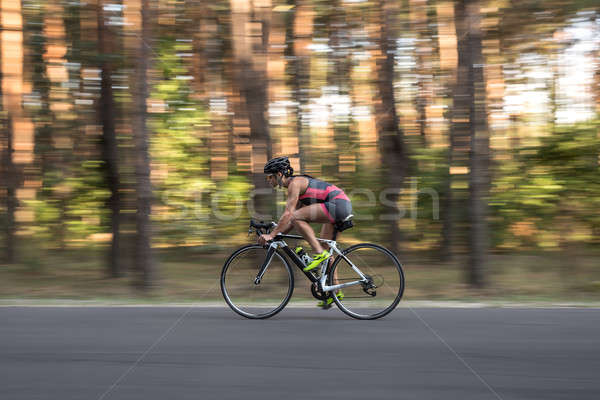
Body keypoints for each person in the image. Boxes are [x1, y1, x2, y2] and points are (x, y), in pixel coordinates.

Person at [257, 156, 352, 308]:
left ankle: (319, 254)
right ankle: (335, 292)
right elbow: (295, 220)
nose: (268, 180)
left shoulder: (295, 184)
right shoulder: (300, 190)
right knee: (327, 252)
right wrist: (278, 234)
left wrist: (272, 234)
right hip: (339, 205)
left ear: (279, 174)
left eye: (270, 176)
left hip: (337, 204)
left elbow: (289, 215)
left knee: (321, 251)